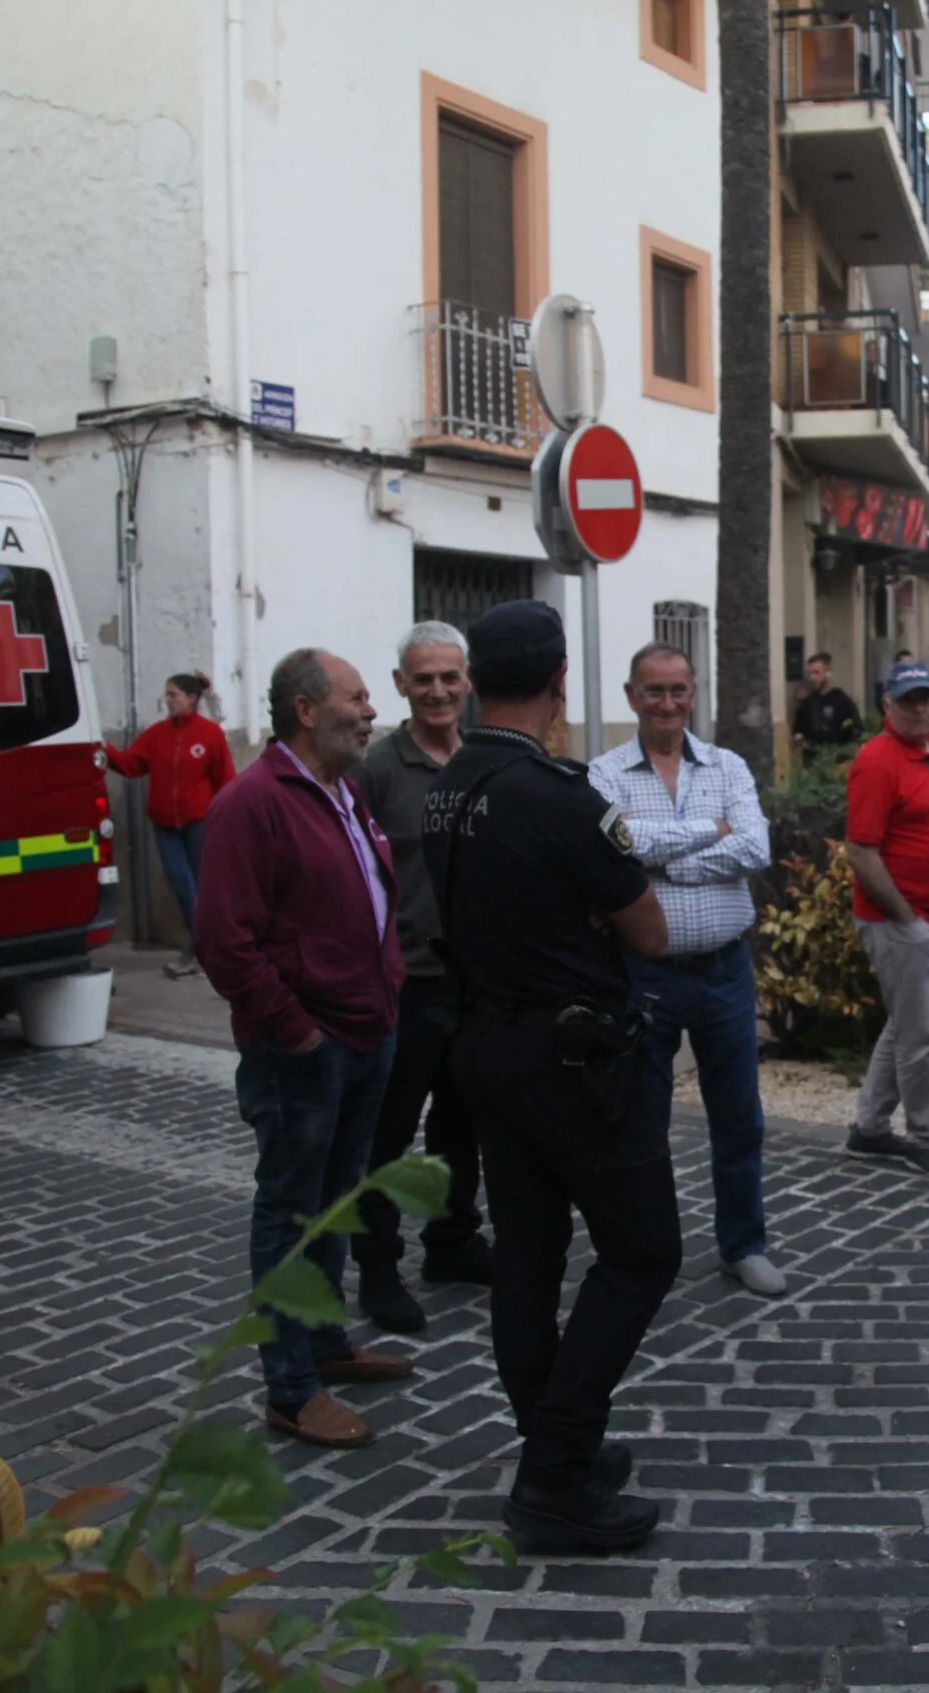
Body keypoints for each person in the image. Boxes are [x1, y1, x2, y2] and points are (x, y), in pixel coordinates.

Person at [423, 599, 680, 1555]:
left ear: (477, 679)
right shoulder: (558, 793)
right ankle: (556, 1469)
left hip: (486, 1046)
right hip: (567, 1061)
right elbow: (648, 929)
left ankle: (551, 1445)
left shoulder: (453, 784)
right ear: (562, 682)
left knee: (526, 1258)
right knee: (644, 1250)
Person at [194, 648, 416, 1450]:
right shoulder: (252, 805)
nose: (370, 711)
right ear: (305, 710)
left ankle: (325, 1343)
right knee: (290, 1214)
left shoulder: (343, 791)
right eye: (356, 698)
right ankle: (290, 1388)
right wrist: (293, 1027)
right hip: (304, 1051)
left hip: (366, 1032)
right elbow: (225, 941)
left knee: (336, 1203)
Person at [589, 644, 783, 1296]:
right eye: (653, 691)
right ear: (631, 694)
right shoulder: (605, 774)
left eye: (677, 690)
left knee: (739, 1115)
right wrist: (710, 832)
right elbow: (619, 845)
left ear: (693, 692)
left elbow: (755, 845)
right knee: (642, 1119)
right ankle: (650, 1249)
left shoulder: (727, 764)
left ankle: (744, 1243)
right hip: (646, 974)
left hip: (725, 970)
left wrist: (672, 860)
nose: (667, 703)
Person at [348, 623, 492, 1338]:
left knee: (461, 1130)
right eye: (423, 678)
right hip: (404, 985)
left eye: (450, 677)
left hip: (475, 984)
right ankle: (377, 1265)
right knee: (386, 1136)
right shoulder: (375, 769)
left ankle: (453, 1241)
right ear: (401, 685)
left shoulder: (485, 761)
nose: (438, 690)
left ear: (468, 681)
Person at [842, 661, 929, 1180]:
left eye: (926, 698)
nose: (920, 708)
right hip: (899, 922)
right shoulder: (876, 761)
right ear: (887, 705)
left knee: (906, 1025)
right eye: (908, 700)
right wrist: (908, 918)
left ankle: (870, 1130)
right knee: (920, 1035)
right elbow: (860, 851)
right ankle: (924, 1135)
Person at [105, 672, 237, 978]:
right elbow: (131, 764)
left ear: (190, 699)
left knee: (204, 890)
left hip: (200, 824)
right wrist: (105, 751)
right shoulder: (156, 735)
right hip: (166, 827)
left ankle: (203, 950)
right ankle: (204, 949)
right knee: (183, 888)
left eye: (173, 694)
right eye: (167, 694)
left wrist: (226, 823)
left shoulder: (210, 734)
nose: (168, 700)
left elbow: (226, 782)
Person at [793, 651, 862, 753]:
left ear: (828, 673)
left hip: (836, 761)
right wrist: (798, 737)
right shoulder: (807, 702)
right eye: (810, 673)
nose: (812, 677)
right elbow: (797, 729)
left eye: (816, 673)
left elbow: (856, 730)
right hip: (813, 763)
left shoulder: (842, 700)